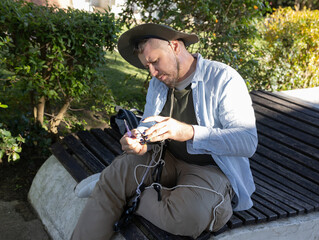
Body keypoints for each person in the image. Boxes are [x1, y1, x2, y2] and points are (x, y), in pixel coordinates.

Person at [71, 23, 258, 240]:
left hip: (211, 169)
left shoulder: (224, 79)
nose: (152, 72)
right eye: (147, 66)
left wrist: (188, 132)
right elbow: (148, 123)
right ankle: (116, 188)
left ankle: (127, 194)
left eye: (154, 61)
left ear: (175, 46)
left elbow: (247, 141)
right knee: (116, 173)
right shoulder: (158, 83)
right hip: (164, 159)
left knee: (188, 217)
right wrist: (138, 139)